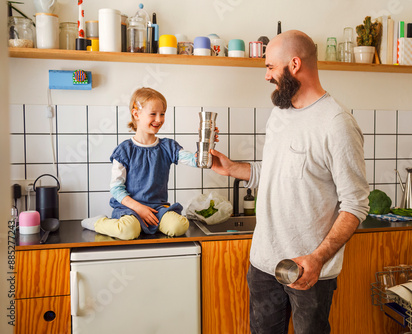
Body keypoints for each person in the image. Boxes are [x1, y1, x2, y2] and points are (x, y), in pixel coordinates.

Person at [210, 30, 370, 333]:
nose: (266, 75)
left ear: (294, 64)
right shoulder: (280, 112)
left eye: (271, 66)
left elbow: (356, 205)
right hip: (263, 262)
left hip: (307, 269)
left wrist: (318, 258)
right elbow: (274, 171)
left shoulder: (337, 124)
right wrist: (233, 169)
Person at [81, 87, 204, 240]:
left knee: (179, 226)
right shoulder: (124, 150)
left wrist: (207, 142)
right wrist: (139, 208)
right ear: (136, 114)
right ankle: (98, 222)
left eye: (162, 114)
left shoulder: (168, 147)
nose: (159, 119)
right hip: (130, 209)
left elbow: (195, 160)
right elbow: (116, 188)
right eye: (153, 114)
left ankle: (149, 226)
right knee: (128, 231)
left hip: (157, 209)